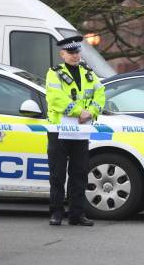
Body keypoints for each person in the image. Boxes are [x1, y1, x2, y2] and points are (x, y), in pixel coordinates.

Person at [45, 35, 106, 226]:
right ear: (62, 54)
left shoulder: (88, 72)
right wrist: (80, 112)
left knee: (79, 173)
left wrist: (91, 112)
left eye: (77, 52)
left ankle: (76, 214)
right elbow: (56, 98)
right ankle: (56, 213)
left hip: (81, 130)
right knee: (57, 174)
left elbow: (100, 93)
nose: (75, 55)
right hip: (59, 129)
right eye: (71, 53)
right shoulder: (53, 73)